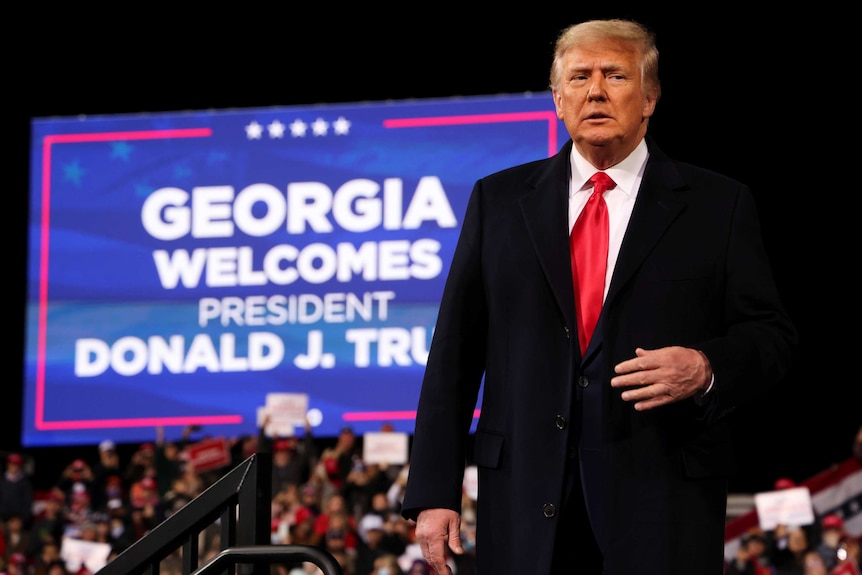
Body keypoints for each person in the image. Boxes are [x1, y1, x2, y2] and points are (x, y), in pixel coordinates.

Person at [400, 18, 798, 575]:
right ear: (558, 100)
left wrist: (707, 366)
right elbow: (453, 356)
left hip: (661, 500)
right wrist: (434, 490)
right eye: (579, 77)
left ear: (650, 97)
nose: (595, 90)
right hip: (524, 498)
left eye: (615, 75)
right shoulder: (499, 201)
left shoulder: (718, 205)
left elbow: (771, 337)